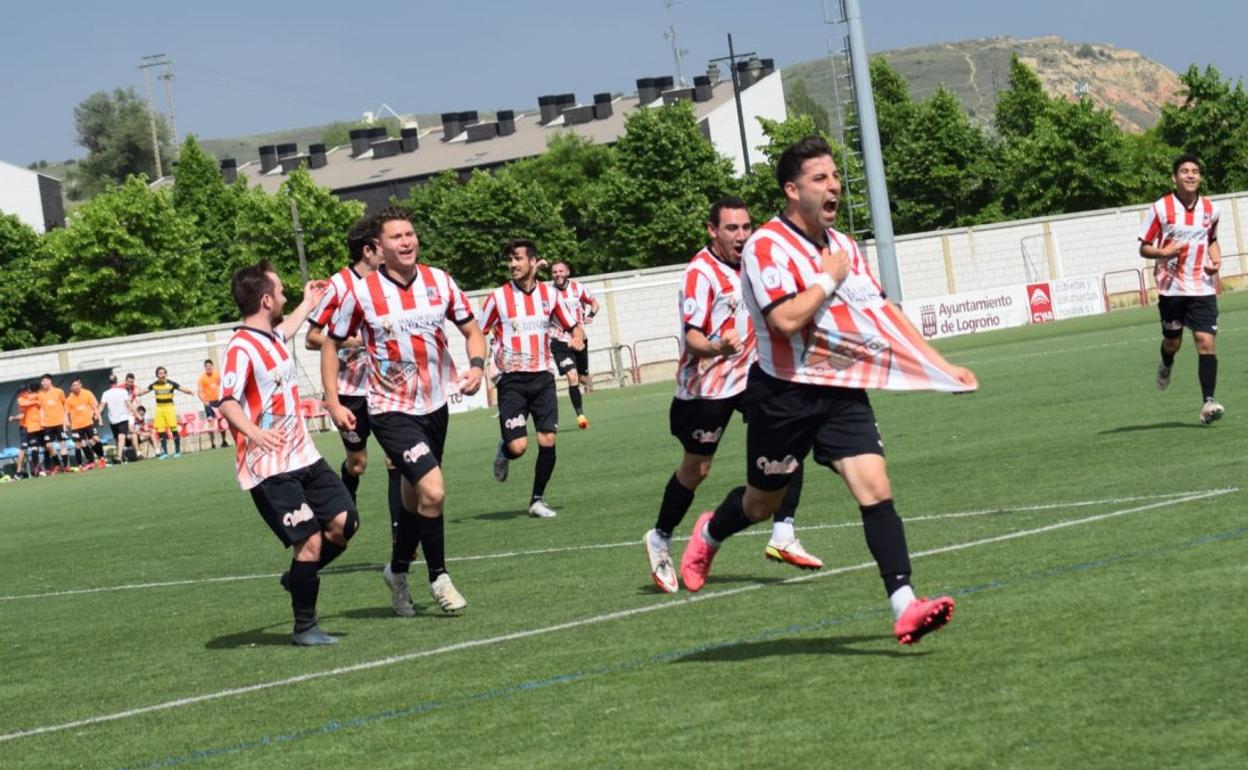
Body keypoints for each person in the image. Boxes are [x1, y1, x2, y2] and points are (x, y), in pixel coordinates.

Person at [679, 136, 978, 646]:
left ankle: (904, 605)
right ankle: (710, 532)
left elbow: (883, 313)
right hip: (782, 395)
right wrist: (825, 278)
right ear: (792, 190)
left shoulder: (845, 247)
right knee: (760, 506)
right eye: (820, 178)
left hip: (841, 388)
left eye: (835, 176)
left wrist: (940, 366)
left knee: (876, 489)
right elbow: (785, 320)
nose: (834, 185)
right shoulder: (765, 247)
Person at [644, 196, 822, 594]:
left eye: (746, 227)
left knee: (788, 434)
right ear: (713, 230)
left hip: (753, 377)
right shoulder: (699, 274)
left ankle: (783, 532)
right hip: (705, 388)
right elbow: (691, 339)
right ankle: (660, 536)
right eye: (732, 229)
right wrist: (717, 347)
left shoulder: (756, 263)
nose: (742, 236)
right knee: (696, 470)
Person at [321, 206, 485, 617]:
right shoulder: (361, 292)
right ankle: (439, 577)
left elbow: (471, 329)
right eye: (397, 237)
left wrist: (478, 366)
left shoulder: (439, 281)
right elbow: (328, 343)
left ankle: (396, 572)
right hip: (390, 409)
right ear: (378, 247)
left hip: (435, 405)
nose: (407, 241)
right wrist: (334, 401)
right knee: (434, 491)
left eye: (410, 234)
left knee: (415, 501)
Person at [218, 260, 356, 646]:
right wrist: (255, 433)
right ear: (265, 299)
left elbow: (287, 328)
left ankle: (298, 576)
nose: (284, 297)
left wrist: (309, 302)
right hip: (270, 467)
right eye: (279, 292)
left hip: (304, 458)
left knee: (345, 524)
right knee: (309, 542)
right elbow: (226, 400)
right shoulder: (240, 348)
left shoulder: (272, 338)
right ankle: (304, 627)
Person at [481, 239, 585, 519]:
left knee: (548, 439)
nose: (512, 264)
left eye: (517, 259)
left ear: (532, 261)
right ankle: (504, 449)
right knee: (518, 447)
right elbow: (478, 332)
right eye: (509, 260)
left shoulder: (550, 297)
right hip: (512, 380)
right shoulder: (498, 297)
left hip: (543, 377)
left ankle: (536, 500)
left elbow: (573, 325)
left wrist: (577, 336)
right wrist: (482, 364)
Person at [1138, 153, 1224, 425]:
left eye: (1195, 171)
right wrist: (1164, 251)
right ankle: (1166, 362)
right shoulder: (1161, 208)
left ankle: (1208, 402)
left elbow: (1212, 240)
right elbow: (1144, 247)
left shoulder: (1211, 209)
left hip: (1202, 287)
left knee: (1206, 343)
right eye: (1184, 171)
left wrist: (1217, 260)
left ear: (1200, 177)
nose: (1190, 175)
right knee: (1173, 342)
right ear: (1174, 178)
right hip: (1171, 288)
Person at [306, 218, 386, 503]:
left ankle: (402, 537)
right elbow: (311, 337)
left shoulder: (387, 281)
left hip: (385, 390)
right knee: (358, 464)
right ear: (368, 250)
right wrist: (352, 342)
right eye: (382, 244)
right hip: (349, 393)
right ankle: (345, 509)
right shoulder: (338, 286)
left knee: (397, 460)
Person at [548, 260, 599, 427]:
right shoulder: (548, 293)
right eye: (555, 272)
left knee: (582, 377)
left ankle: (585, 377)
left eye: (561, 271)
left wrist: (591, 315)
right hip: (560, 341)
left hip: (579, 338)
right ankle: (581, 416)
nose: (558, 274)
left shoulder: (578, 288)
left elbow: (595, 303)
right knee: (572, 375)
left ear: (567, 272)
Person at [135, 367, 193, 458]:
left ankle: (177, 451)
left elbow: (181, 388)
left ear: (166, 374)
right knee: (161, 430)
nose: (161, 375)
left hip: (169, 407)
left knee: (173, 429)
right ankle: (165, 453)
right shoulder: (155, 384)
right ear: (157, 375)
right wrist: (137, 393)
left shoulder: (171, 383)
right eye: (159, 374)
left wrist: (190, 392)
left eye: (163, 373)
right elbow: (145, 391)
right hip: (159, 408)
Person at [65, 379, 106, 470]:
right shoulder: (69, 399)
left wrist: (100, 419)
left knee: (95, 440)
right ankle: (88, 462)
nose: (75, 387)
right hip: (76, 426)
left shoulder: (87, 394)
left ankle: (102, 458)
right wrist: (66, 423)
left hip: (88, 423)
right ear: (71, 388)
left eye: (77, 385)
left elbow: (95, 407)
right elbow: (66, 412)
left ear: (81, 385)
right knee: (81, 444)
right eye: (73, 386)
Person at [100, 374, 140, 462]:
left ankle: (119, 457)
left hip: (114, 420)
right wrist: (136, 413)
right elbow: (129, 403)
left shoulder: (105, 393)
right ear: (117, 381)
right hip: (121, 418)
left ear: (109, 383)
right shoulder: (123, 391)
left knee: (119, 438)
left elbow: (102, 406)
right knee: (120, 438)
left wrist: (97, 416)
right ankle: (120, 456)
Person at [36, 374, 70, 475]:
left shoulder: (59, 391)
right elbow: (41, 408)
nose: (43, 383)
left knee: (63, 444)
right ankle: (58, 464)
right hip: (48, 424)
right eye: (42, 382)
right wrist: (41, 421)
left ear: (50, 381)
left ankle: (66, 466)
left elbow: (65, 406)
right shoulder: (40, 394)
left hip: (59, 422)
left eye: (44, 381)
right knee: (48, 445)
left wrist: (66, 420)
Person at [197, 360, 230, 448]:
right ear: (205, 367)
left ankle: (224, 441)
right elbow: (199, 392)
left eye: (210, 366)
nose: (208, 367)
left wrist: (223, 397)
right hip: (208, 403)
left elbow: (222, 386)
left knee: (221, 421)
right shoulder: (202, 378)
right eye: (206, 366)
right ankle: (213, 443)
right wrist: (204, 401)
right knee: (210, 421)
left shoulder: (216, 375)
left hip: (217, 401)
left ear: (212, 366)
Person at [14, 383, 42, 477]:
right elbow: (24, 403)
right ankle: (18, 472)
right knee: (23, 448)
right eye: (22, 392)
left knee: (35, 447)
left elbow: (38, 397)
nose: (24, 393)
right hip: (24, 427)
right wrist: (34, 402)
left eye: (25, 391)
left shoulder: (31, 396)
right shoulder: (21, 399)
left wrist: (35, 400)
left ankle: (36, 469)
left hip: (33, 426)